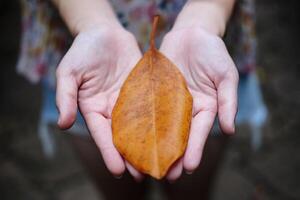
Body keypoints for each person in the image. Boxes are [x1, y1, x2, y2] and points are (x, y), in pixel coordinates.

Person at [17, 0, 267, 199]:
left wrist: (207, 12)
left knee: (192, 190)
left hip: (201, 55)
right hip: (89, 53)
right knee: (119, 191)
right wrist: (90, 19)